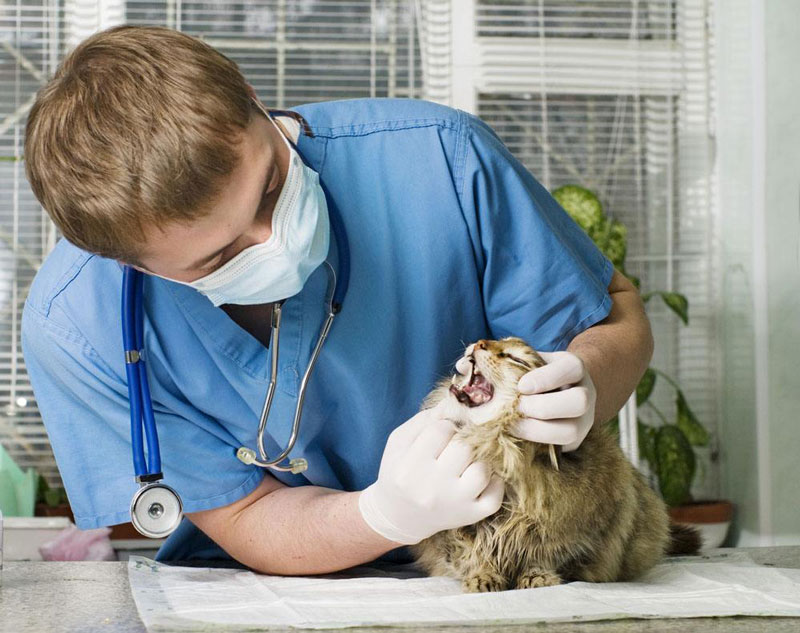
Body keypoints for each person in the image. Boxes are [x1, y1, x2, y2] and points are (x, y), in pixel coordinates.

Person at [21, 25, 653, 572]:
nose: (274, 241)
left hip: (501, 563)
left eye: (271, 189)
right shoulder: (79, 323)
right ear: (128, 263)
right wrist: (383, 516)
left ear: (253, 98)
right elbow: (245, 513)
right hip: (264, 593)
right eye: (220, 257)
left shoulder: (440, 159)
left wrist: (589, 378)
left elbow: (614, 317)